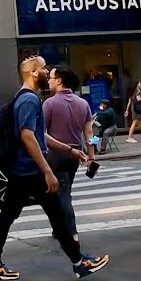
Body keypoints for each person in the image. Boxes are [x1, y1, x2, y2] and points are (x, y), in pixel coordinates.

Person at [0, 56, 110, 280]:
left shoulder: (23, 97)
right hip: (30, 170)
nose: (46, 72)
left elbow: (39, 134)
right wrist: (47, 171)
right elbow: (28, 136)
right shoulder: (30, 100)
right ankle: (79, 262)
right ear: (33, 73)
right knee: (55, 216)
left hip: (22, 170)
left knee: (12, 216)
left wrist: (69, 150)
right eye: (43, 68)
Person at [43, 66, 96, 245]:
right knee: (63, 191)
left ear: (59, 81)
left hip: (56, 154)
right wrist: (92, 157)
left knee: (63, 193)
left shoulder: (49, 104)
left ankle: (71, 233)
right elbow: (90, 135)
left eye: (51, 77)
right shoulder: (83, 104)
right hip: (76, 155)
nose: (49, 80)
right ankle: (59, 228)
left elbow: (42, 133)